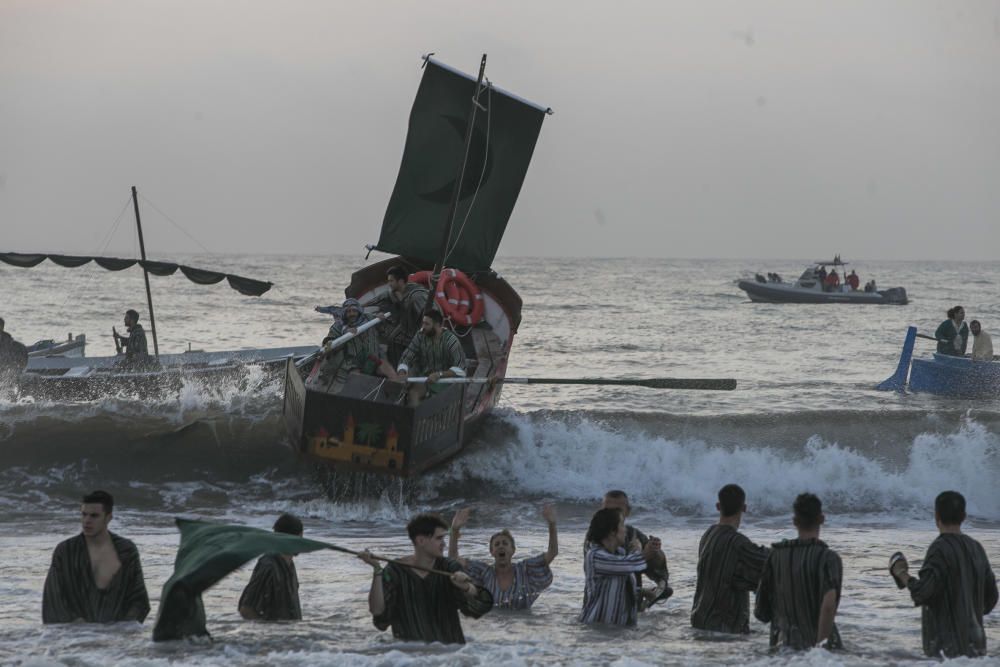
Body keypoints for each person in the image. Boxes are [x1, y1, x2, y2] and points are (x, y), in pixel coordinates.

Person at [889, 491, 998, 658]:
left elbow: (922, 592)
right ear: (964, 516)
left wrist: (901, 573)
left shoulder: (939, 548)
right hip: (977, 648)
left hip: (947, 651)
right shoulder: (977, 548)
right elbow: (991, 599)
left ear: (936, 516)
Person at [359, 513, 492, 644]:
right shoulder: (395, 570)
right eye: (439, 538)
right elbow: (377, 611)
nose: (443, 544)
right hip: (408, 657)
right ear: (421, 541)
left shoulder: (449, 567)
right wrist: (377, 570)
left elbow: (481, 603)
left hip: (450, 656)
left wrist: (466, 587)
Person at [42, 490, 150, 623]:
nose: (87, 521)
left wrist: (124, 629)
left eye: (94, 516)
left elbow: (139, 599)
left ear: (108, 517)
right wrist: (77, 627)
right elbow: (53, 597)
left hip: (117, 636)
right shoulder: (65, 551)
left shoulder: (126, 550)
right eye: (84, 514)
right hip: (74, 636)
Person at [754, 492, 842, 650]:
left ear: (794, 521)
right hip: (817, 653)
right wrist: (820, 652)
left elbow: (761, 613)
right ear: (821, 519)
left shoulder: (775, 556)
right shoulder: (828, 558)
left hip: (782, 651)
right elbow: (828, 606)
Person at [691, 484, 770, 634]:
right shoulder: (738, 543)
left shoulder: (708, 535)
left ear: (718, 506)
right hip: (724, 628)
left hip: (699, 621)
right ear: (744, 508)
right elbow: (770, 560)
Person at [448, 505, 557, 610]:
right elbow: (454, 559)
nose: (501, 546)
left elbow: (552, 553)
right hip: (493, 625)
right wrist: (454, 530)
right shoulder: (485, 573)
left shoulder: (524, 570)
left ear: (513, 550)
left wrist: (552, 524)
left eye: (505, 543)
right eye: (497, 544)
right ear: (492, 552)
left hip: (523, 624)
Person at [580, 507, 661, 626]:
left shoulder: (620, 554)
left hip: (619, 630)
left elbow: (616, 586)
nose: (625, 530)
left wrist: (641, 592)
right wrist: (640, 551)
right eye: (622, 525)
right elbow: (628, 565)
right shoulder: (595, 555)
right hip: (597, 631)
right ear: (612, 531)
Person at [588, 490, 672, 606]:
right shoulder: (593, 540)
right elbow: (616, 568)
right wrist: (643, 555)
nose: (612, 515)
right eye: (608, 511)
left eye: (618, 511)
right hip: (602, 609)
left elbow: (658, 567)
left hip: (630, 609)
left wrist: (654, 550)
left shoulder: (632, 534)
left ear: (627, 512)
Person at [307, 298, 394, 392]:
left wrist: (381, 318)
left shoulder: (369, 318)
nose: (352, 314)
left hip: (372, 359)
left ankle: (398, 391)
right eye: (348, 312)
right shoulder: (338, 326)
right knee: (355, 376)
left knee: (387, 368)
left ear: (359, 311)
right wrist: (345, 335)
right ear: (344, 313)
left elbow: (384, 328)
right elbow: (328, 344)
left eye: (354, 311)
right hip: (351, 363)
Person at [238, 513, 306, 621]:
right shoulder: (268, 566)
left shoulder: (289, 565)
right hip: (276, 636)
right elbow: (245, 609)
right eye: (302, 536)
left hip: (291, 635)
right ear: (296, 537)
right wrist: (270, 631)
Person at [396, 309, 466, 406]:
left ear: (437, 325)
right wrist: (402, 372)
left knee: (437, 403)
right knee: (413, 394)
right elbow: (407, 355)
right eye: (423, 323)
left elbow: (461, 369)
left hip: (445, 381)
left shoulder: (451, 341)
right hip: (424, 378)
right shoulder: (420, 335)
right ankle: (415, 418)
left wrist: (439, 374)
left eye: (426, 324)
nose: (423, 327)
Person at [378, 265, 431, 365]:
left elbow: (428, 315)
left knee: (395, 339)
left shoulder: (416, 296)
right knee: (392, 338)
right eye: (388, 281)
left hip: (422, 330)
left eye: (391, 281)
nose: (389, 284)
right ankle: (397, 369)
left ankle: (401, 368)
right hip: (407, 326)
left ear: (401, 281)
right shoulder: (398, 293)